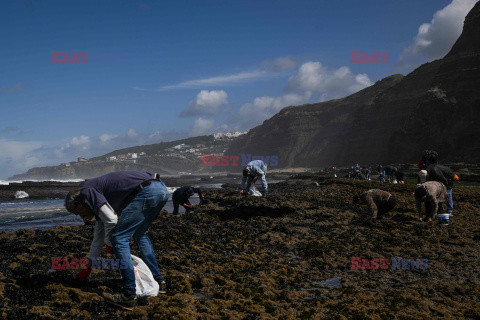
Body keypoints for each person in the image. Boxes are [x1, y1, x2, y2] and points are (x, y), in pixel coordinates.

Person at [65, 171, 169, 308]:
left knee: (118, 238)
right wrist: (87, 269)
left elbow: (112, 220)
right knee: (139, 234)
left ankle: (129, 295)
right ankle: (159, 281)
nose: (81, 217)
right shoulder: (97, 200)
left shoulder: (87, 192)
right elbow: (97, 239)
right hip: (161, 189)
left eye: (77, 213)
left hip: (147, 191)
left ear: (79, 204)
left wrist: (109, 244)